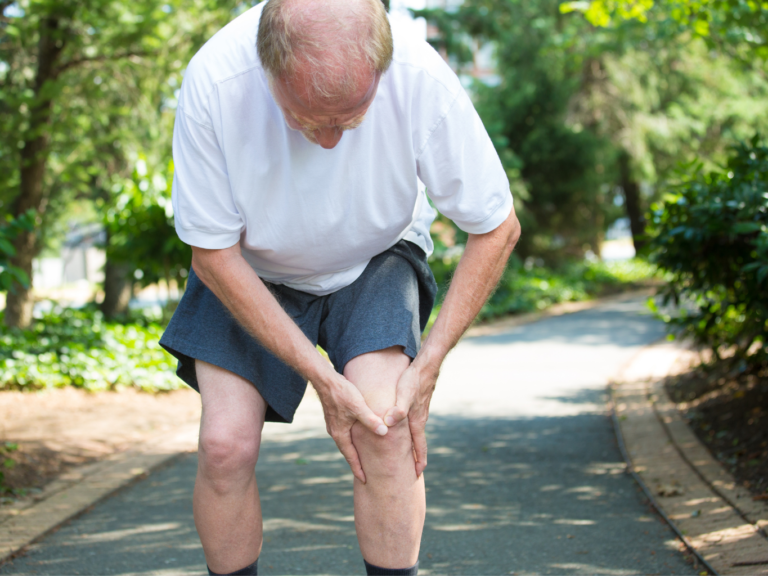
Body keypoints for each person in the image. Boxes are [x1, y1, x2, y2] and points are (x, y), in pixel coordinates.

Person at [159, 0, 521, 574]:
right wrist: (321, 378)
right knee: (225, 448)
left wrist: (428, 363)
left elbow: (497, 226)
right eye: (306, 118)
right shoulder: (216, 80)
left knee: (385, 429)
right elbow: (213, 254)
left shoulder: (420, 77)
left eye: (350, 120)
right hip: (249, 269)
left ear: (381, 67)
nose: (328, 142)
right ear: (267, 68)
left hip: (375, 256)